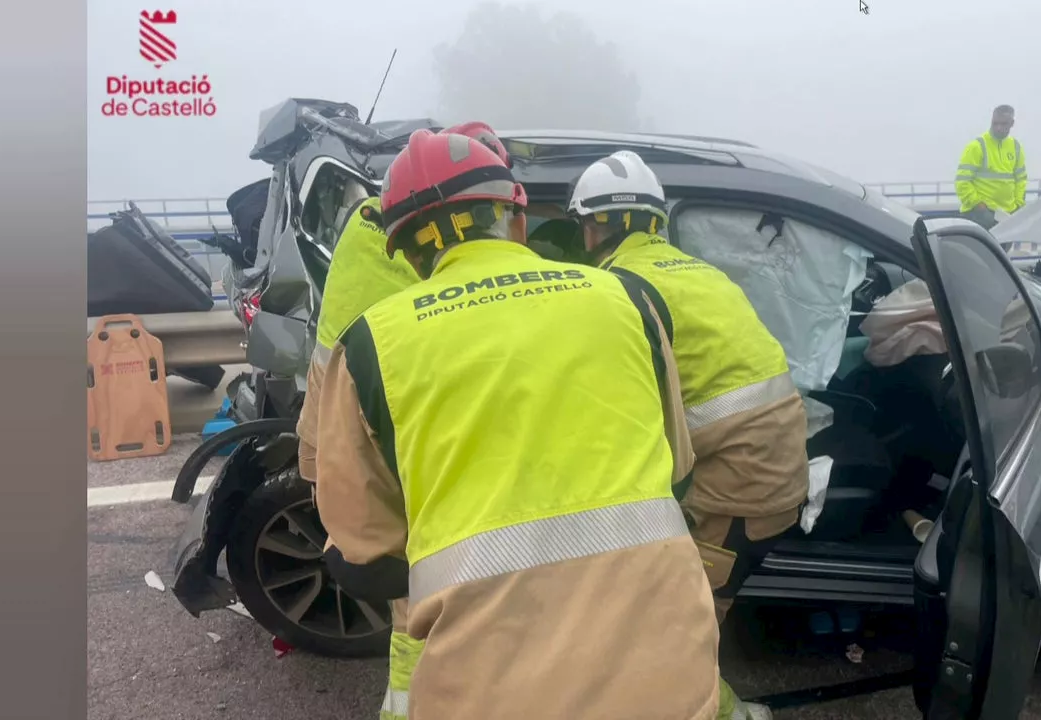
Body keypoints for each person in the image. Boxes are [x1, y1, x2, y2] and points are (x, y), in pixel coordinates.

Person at [310, 128, 733, 719]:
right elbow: (678, 473)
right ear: (516, 218)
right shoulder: (630, 298)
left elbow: (366, 558)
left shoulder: (370, 344)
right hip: (673, 672)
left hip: (489, 693)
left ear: (406, 253)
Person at [568, 149, 810, 718]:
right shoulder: (695, 270)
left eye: (582, 224)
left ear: (597, 223)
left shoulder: (618, 289)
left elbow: (612, 409)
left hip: (739, 492)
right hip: (769, 472)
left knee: (671, 627)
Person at [295, 122, 518, 720]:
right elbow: (453, 314)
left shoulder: (376, 221)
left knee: (409, 579)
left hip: (344, 419)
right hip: (374, 423)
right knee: (416, 589)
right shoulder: (399, 238)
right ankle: (416, 699)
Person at [955, 104, 1029, 229]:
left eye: (1003, 124)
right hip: (980, 215)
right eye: (995, 123)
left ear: (1012, 123)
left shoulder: (1016, 147)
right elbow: (962, 182)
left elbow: (1021, 180)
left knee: (1002, 249)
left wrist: (1018, 206)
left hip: (1006, 216)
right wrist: (978, 204)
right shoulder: (977, 146)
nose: (998, 128)